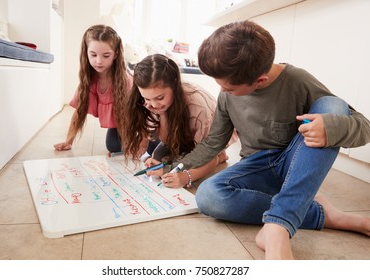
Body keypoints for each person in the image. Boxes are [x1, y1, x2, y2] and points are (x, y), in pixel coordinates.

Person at [166, 20, 370, 259]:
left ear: (260, 81)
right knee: (209, 196)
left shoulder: (297, 81)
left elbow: (364, 128)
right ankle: (319, 212)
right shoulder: (226, 97)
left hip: (295, 167)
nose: (221, 92)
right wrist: (175, 166)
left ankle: (277, 228)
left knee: (333, 106)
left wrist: (330, 126)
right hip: (257, 169)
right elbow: (213, 142)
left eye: (229, 88)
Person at [121, 53, 236, 188]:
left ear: (175, 86)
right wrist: (163, 114)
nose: (153, 105)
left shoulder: (197, 106)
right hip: (182, 132)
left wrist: (186, 177)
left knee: (195, 161)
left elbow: (207, 150)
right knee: (158, 156)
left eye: (159, 98)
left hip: (209, 140)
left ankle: (220, 157)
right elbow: (165, 140)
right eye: (147, 98)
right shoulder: (153, 103)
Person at [54, 24, 132, 154]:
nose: (99, 61)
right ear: (86, 52)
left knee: (143, 145)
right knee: (114, 146)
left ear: (116, 54)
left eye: (106, 56)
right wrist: (68, 141)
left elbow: (136, 115)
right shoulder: (89, 80)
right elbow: (79, 112)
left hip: (139, 120)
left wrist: (139, 141)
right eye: (93, 55)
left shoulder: (126, 81)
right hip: (120, 123)